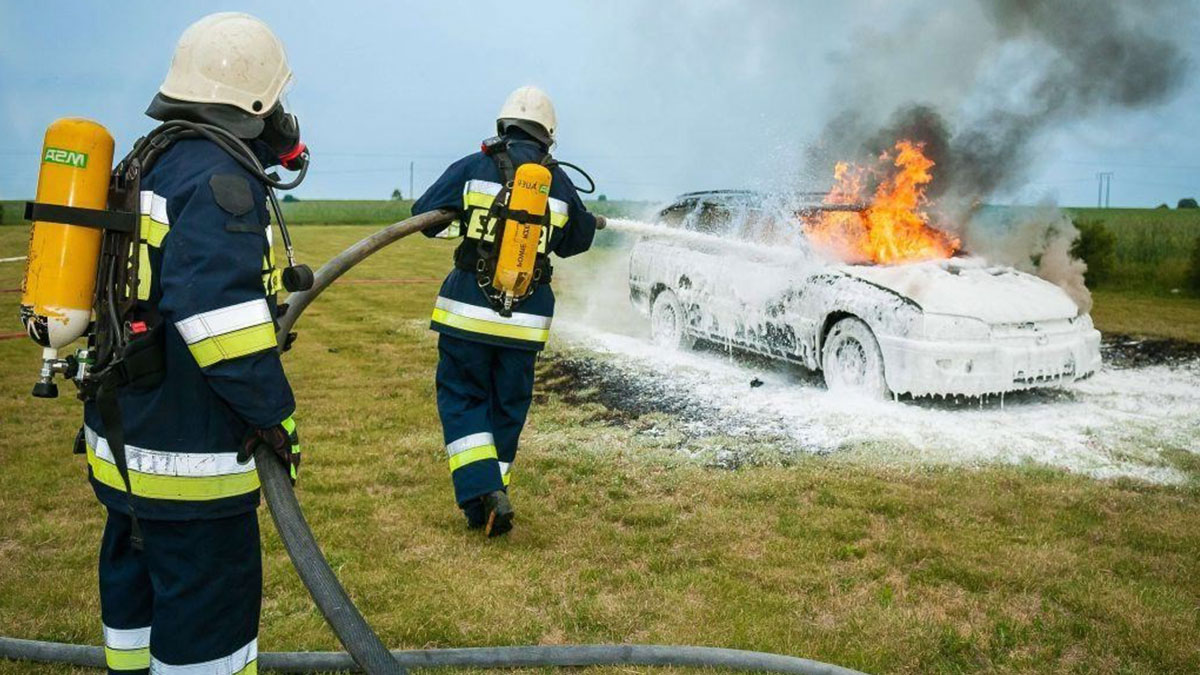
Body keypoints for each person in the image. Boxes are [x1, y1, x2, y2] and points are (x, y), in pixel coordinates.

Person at [84, 13, 305, 674]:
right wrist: (275, 418)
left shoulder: (152, 158)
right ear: (259, 100)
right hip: (191, 463)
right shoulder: (222, 185)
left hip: (125, 446)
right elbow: (223, 325)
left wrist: (283, 145)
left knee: (135, 604)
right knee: (210, 624)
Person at [412, 86, 603, 537]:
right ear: (548, 136)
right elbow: (578, 241)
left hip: (467, 312)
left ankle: (483, 494)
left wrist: (471, 222)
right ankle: (491, 502)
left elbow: (425, 216)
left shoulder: (474, 167)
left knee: (462, 398)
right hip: (526, 321)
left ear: (504, 126)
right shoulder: (557, 181)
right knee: (507, 408)